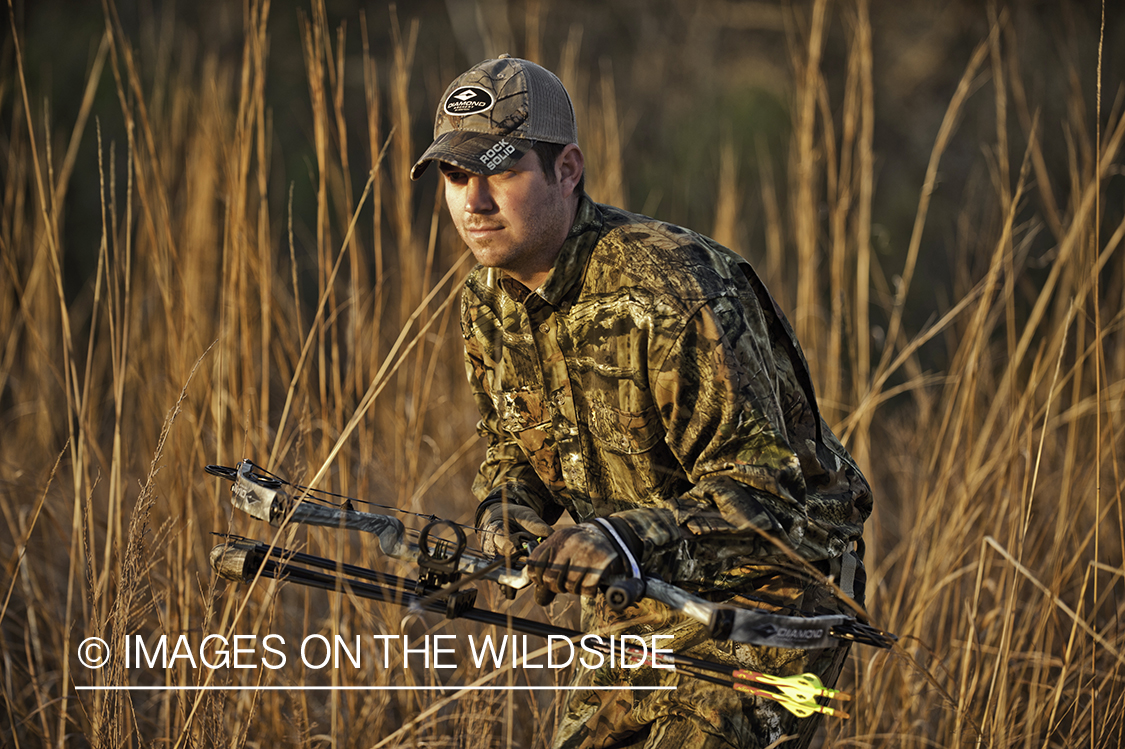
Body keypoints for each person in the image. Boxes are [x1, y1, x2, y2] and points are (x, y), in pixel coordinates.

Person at [411, 55, 872, 749]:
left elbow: (766, 493)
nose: (473, 202)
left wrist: (619, 538)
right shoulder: (486, 299)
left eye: (501, 172)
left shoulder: (675, 287)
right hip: (639, 591)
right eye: (454, 176)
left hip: (768, 595)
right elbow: (514, 446)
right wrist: (507, 511)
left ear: (567, 170)